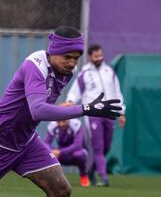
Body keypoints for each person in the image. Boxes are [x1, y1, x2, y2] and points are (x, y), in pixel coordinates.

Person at [0, 26, 121, 197]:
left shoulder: (66, 72)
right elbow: (38, 110)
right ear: (53, 52)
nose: (72, 63)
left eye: (76, 58)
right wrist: (85, 109)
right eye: (67, 57)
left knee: (61, 190)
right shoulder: (35, 65)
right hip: (2, 139)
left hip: (26, 142)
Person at [66, 44, 126, 187]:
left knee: (106, 147)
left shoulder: (109, 70)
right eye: (96, 56)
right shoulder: (85, 73)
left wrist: (122, 112)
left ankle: (91, 170)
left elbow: (117, 91)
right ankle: (104, 178)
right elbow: (75, 92)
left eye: (101, 55)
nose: (99, 58)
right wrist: (70, 102)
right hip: (93, 114)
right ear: (90, 57)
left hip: (109, 113)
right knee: (98, 147)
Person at [44, 103, 90, 187]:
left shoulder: (76, 124)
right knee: (48, 154)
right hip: (61, 154)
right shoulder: (52, 125)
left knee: (78, 154)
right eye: (59, 121)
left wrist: (60, 152)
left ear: (69, 118)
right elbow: (46, 143)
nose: (61, 124)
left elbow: (77, 145)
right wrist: (52, 151)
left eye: (64, 121)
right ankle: (51, 179)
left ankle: (83, 176)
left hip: (76, 153)